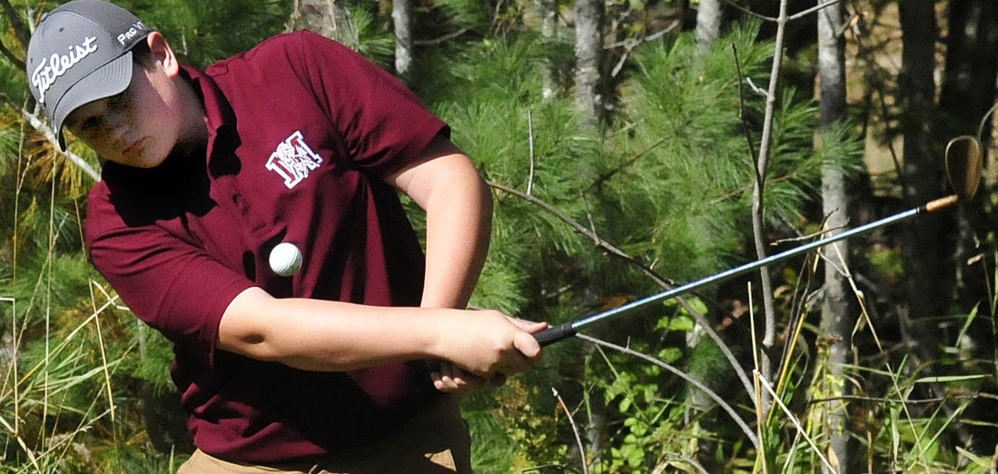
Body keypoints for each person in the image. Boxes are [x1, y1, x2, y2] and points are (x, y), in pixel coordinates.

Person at [25, 1, 546, 472]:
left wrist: (441, 325)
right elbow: (263, 329)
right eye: (90, 125)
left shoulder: (296, 70)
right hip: (252, 459)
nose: (114, 130)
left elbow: (446, 176)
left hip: (406, 439)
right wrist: (438, 335)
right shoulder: (116, 224)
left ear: (160, 55)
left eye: (118, 99)